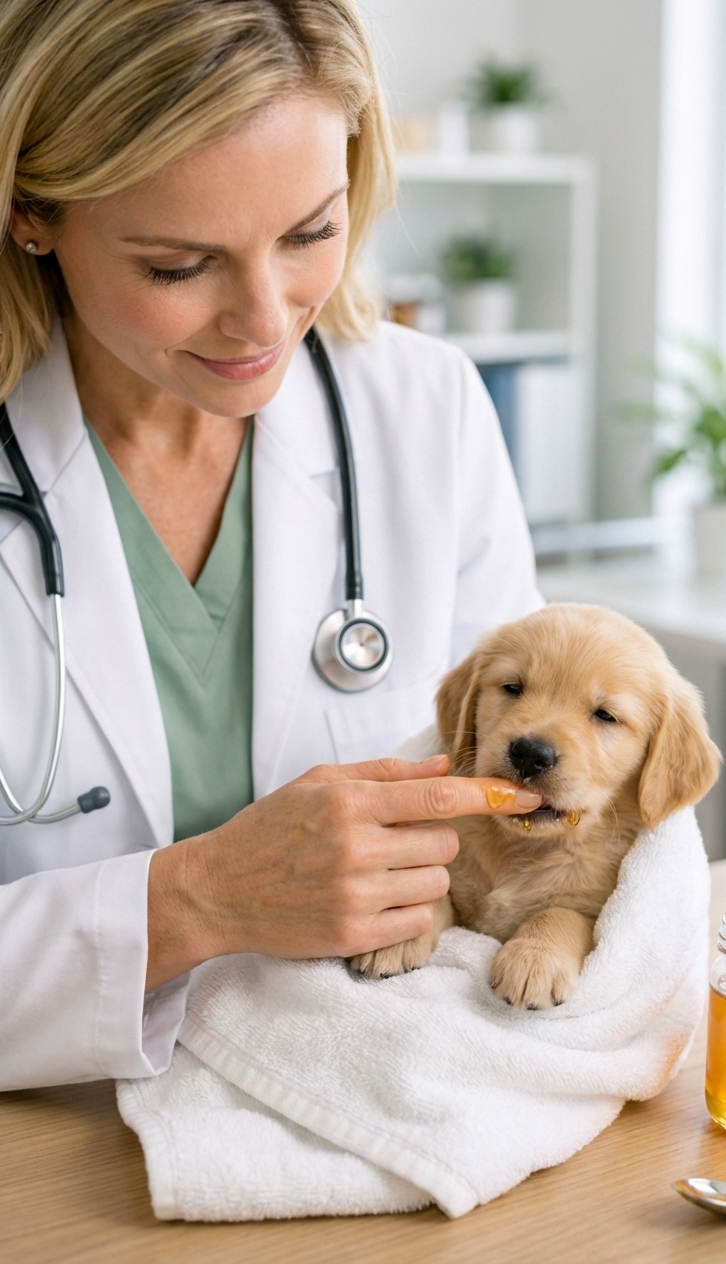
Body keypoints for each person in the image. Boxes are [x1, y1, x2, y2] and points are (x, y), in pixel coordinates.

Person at [0, 0, 543, 1090]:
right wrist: (197, 900)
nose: (263, 319)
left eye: (309, 234)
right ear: (30, 214)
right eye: (177, 264)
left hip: (370, 1099)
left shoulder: (425, 409)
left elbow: (529, 808)